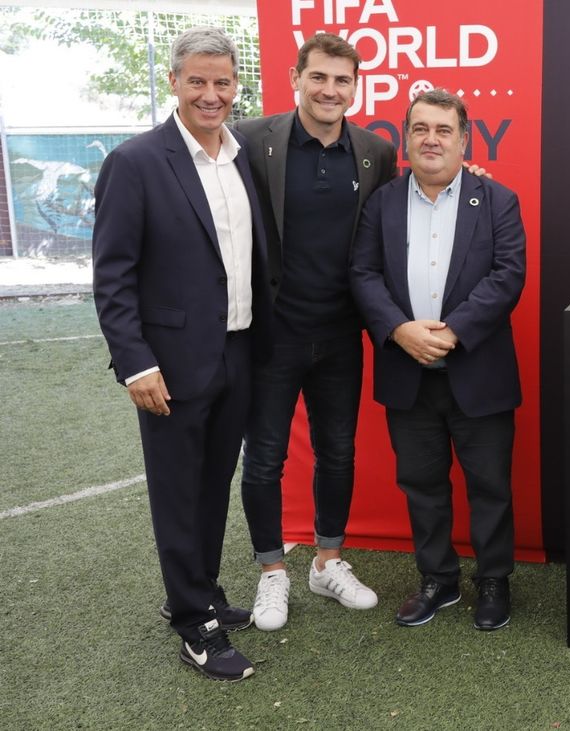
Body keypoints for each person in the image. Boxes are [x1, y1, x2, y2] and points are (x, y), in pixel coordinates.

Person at [92, 26, 270, 681]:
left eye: (222, 81)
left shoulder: (241, 154)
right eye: (197, 80)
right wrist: (136, 363)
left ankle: (198, 591)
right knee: (177, 491)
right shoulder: (135, 162)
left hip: (237, 352)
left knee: (211, 485)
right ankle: (195, 626)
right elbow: (112, 275)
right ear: (174, 82)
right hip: (168, 364)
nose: (211, 93)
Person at [228, 32, 397, 631]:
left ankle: (327, 561)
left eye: (342, 80)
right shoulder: (248, 139)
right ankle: (272, 571)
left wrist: (467, 179)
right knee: (266, 459)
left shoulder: (376, 151)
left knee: (339, 452)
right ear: (296, 78)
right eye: (319, 77)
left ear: (356, 87)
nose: (330, 90)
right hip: (272, 336)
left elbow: (394, 223)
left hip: (341, 335)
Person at [350, 89, 526, 631]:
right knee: (422, 484)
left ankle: (493, 580)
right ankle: (438, 579)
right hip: (408, 373)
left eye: (443, 129)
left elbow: (508, 274)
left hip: (478, 371)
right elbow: (363, 274)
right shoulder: (381, 203)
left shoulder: (497, 200)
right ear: (406, 138)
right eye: (421, 128)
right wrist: (400, 330)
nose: (431, 139)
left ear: (464, 138)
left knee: (490, 486)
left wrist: (452, 332)